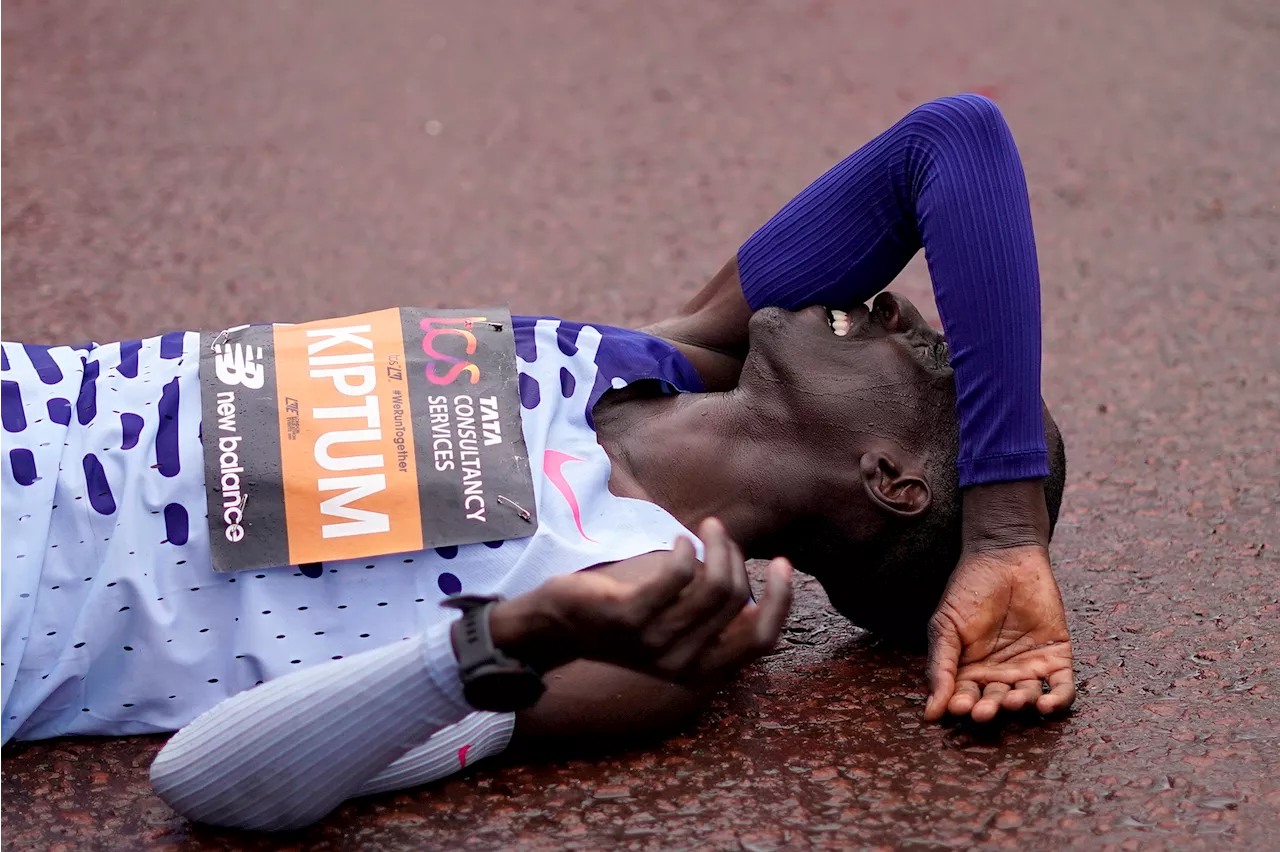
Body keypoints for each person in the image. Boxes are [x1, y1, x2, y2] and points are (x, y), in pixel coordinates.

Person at [0, 94, 1073, 831]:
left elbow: (207, 783)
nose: (894, 299)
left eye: (930, 359)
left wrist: (511, 636)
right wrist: (1005, 530)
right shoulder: (646, 359)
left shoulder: (648, 622)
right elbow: (954, 139)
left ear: (890, 478)